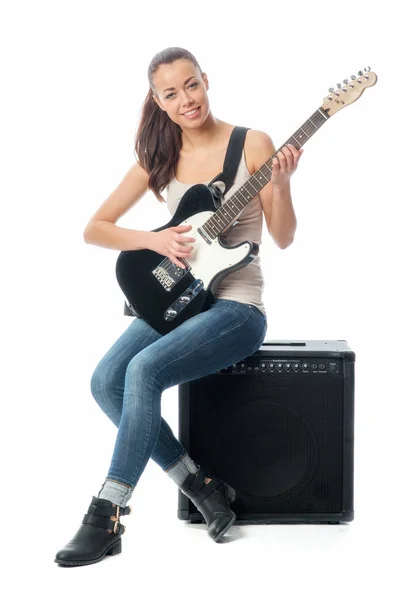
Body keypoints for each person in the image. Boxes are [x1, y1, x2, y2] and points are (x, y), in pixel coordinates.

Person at [54, 46, 302, 567]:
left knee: (142, 371)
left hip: (237, 307)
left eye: (192, 85)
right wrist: (157, 239)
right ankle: (200, 485)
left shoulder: (250, 143)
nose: (186, 99)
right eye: (172, 93)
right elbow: (94, 229)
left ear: (206, 80)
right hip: (180, 302)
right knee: (106, 381)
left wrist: (279, 183)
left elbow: (282, 237)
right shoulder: (159, 157)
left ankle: (108, 514)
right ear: (158, 101)